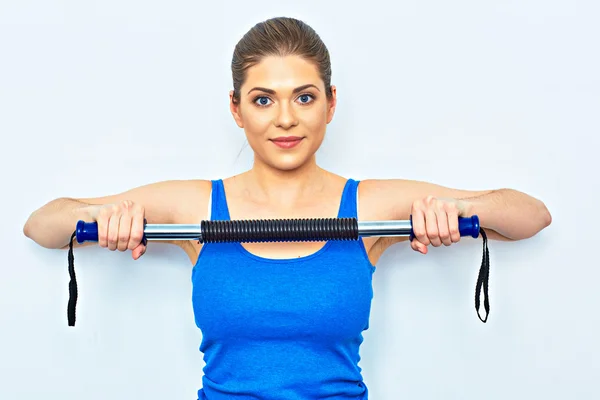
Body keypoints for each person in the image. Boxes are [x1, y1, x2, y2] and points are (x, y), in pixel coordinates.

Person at [23, 16, 551, 400]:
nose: (285, 120)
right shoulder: (198, 206)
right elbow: (42, 225)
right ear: (236, 108)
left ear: (330, 102)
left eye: (303, 97)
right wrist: (107, 220)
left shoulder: (368, 205)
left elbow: (530, 216)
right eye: (262, 99)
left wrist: (454, 209)